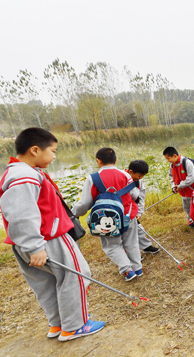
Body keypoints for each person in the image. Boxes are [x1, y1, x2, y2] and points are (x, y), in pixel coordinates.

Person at [0, 127, 105, 341]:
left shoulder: (16, 171)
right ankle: (75, 326)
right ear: (35, 150)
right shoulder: (25, 175)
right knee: (76, 275)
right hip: (49, 238)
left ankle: (58, 324)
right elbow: (21, 213)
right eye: (54, 151)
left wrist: (30, 244)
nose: (55, 156)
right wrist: (34, 246)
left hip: (29, 241)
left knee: (45, 283)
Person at [73, 148, 142, 281]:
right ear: (116, 160)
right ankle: (137, 268)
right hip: (128, 214)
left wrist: (75, 214)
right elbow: (134, 195)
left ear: (98, 161)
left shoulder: (92, 178)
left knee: (112, 245)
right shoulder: (126, 175)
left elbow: (85, 203)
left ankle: (128, 271)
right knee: (131, 242)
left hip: (106, 218)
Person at [163, 146, 194, 231]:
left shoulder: (187, 163)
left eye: (168, 158)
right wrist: (173, 186)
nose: (168, 161)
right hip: (183, 192)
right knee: (187, 208)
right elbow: (171, 177)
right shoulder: (172, 165)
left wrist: (180, 186)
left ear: (174, 155)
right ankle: (191, 221)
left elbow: (191, 178)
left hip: (192, 190)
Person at [126, 160, 159, 254]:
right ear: (131, 172)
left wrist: (139, 212)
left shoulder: (138, 181)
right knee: (128, 235)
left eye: (142, 176)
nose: (141, 178)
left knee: (139, 229)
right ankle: (132, 255)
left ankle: (146, 246)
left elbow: (141, 197)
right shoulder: (121, 179)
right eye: (139, 176)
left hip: (133, 211)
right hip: (124, 211)